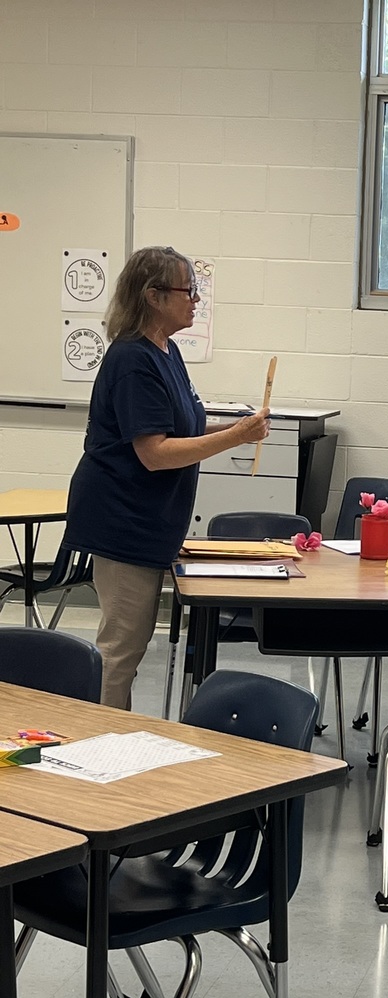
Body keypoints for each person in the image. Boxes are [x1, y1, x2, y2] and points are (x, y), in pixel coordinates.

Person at [63, 246, 271, 710]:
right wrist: (235, 436)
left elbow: (183, 431)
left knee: (127, 648)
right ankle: (100, 751)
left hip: (151, 522)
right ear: (154, 296)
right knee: (121, 651)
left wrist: (238, 431)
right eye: (188, 290)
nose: (196, 300)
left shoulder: (167, 351)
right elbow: (154, 453)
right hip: (123, 522)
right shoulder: (133, 359)